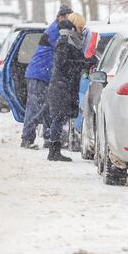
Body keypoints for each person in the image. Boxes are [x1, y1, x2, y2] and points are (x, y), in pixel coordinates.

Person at [20, 4, 73, 149]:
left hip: (43, 74)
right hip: (39, 74)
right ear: (59, 17)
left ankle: (49, 138)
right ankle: (27, 138)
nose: (68, 21)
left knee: (48, 108)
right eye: (66, 18)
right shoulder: (55, 30)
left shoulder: (57, 29)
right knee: (35, 108)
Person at [46, 13, 90, 162]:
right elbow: (64, 64)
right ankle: (54, 151)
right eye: (80, 27)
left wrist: (83, 62)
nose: (81, 31)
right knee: (57, 118)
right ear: (74, 26)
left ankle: (54, 149)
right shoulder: (65, 40)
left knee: (58, 118)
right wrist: (82, 64)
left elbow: (72, 59)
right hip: (60, 85)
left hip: (62, 84)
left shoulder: (68, 40)